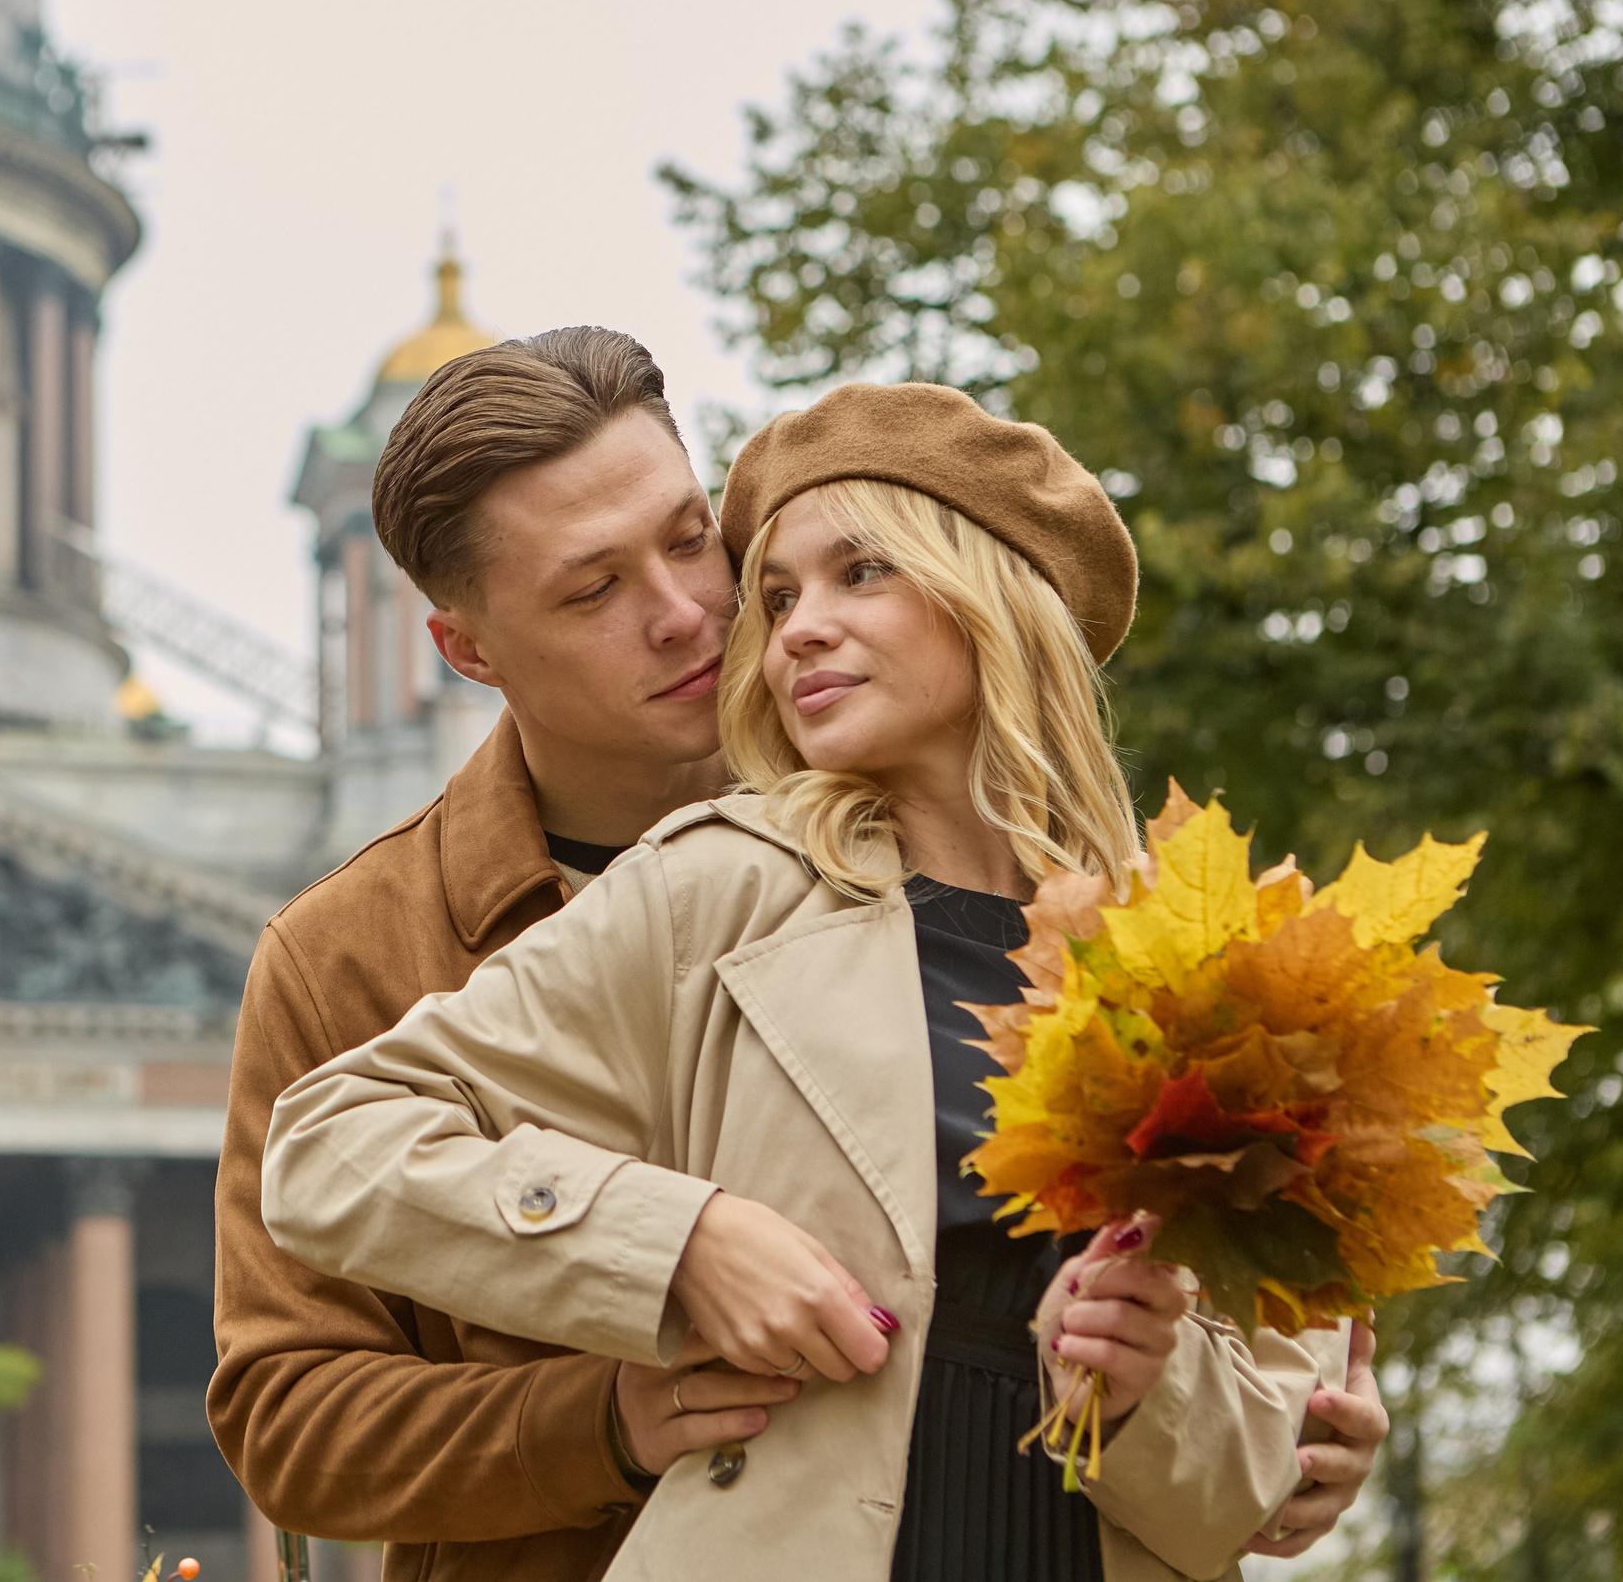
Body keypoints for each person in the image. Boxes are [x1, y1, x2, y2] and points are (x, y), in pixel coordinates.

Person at [208, 333, 1383, 1582]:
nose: (684, 617)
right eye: (592, 590)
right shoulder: (358, 947)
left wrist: (1269, 1440)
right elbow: (290, 1402)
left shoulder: (1118, 928)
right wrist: (618, 1379)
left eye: (690, 542)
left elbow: (1255, 1393)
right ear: (469, 652)